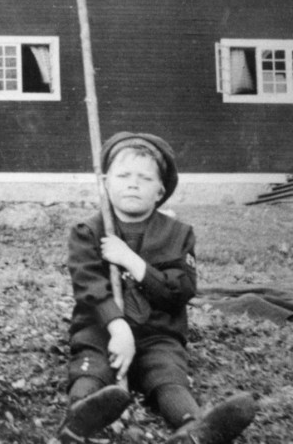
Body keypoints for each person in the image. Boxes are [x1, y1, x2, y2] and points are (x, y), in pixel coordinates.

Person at [58, 132, 258, 444]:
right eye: (123, 175)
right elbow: (88, 286)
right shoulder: (87, 231)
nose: (133, 183)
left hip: (157, 333)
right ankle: (78, 418)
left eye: (144, 177)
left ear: (160, 189)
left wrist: (132, 261)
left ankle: (193, 428)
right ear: (106, 182)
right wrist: (117, 326)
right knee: (91, 368)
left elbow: (181, 290)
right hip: (102, 330)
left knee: (168, 375)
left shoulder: (178, 234)